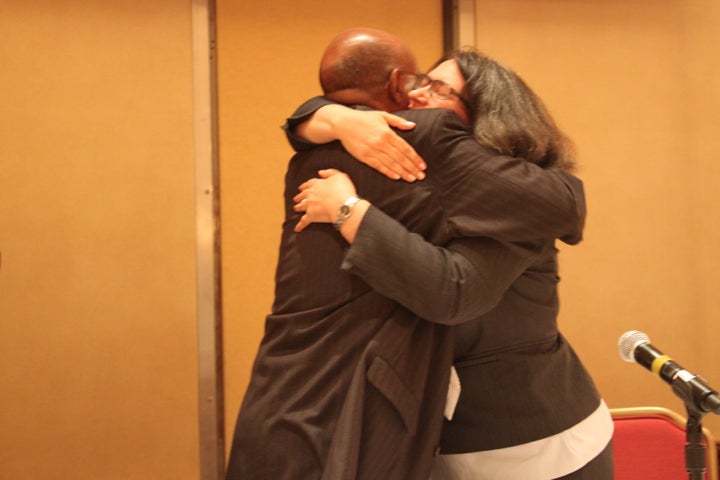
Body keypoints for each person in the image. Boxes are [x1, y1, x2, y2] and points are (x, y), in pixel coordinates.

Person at [225, 28, 587, 480]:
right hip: (438, 433)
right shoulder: (384, 147)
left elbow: (454, 290)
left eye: (437, 87)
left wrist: (348, 209)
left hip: (536, 432)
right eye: (419, 81)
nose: (420, 95)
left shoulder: (491, 188)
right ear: (397, 84)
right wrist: (335, 118)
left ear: (485, 113)